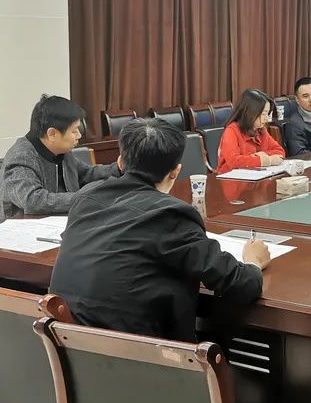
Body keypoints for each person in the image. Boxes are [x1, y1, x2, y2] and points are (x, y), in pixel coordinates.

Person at [50, 119, 271, 341]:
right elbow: (241, 284)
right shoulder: (170, 215)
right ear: (175, 172)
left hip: (72, 348)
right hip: (142, 355)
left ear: (120, 162)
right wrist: (253, 261)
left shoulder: (86, 198)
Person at [0, 95, 119, 221]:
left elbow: (86, 174)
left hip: (60, 221)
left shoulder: (60, 151)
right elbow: (33, 201)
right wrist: (84, 199)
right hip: (23, 229)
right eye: (74, 131)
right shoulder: (21, 157)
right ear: (52, 133)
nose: (79, 135)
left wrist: (119, 168)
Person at [217, 89, 286, 173]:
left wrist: (258, 156)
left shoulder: (261, 130)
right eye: (263, 114)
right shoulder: (231, 131)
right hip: (230, 177)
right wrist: (267, 160)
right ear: (250, 112)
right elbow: (233, 161)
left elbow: (280, 151)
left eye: (267, 114)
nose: (266, 118)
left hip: (255, 175)